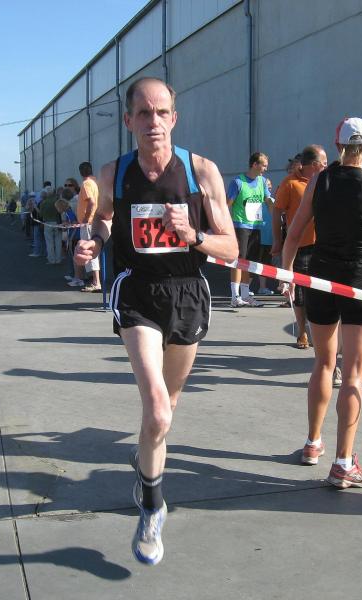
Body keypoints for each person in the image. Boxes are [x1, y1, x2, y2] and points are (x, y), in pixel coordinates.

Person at [74, 77, 237, 565]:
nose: (154, 122)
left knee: (163, 415)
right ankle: (152, 506)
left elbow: (230, 247)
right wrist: (94, 241)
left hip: (187, 292)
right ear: (128, 121)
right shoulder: (115, 172)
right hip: (138, 293)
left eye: (162, 112)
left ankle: (146, 455)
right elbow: (104, 218)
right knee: (159, 410)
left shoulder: (201, 172)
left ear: (174, 118)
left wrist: (193, 235)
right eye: (144, 113)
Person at [282, 117, 362, 481]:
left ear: (337, 146)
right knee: (353, 374)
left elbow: (294, 232)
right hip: (359, 280)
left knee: (323, 363)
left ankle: (312, 443)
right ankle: (343, 463)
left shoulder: (319, 180)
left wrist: (287, 275)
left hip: (321, 274)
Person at [273, 145, 328, 349]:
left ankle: (318, 332)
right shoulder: (290, 183)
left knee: (320, 293)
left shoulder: (325, 181)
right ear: (314, 165)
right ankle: (302, 331)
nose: (326, 166)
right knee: (300, 295)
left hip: (322, 246)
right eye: (324, 163)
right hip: (300, 246)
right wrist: (277, 240)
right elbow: (277, 212)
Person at [227, 152, 272, 307]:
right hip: (241, 226)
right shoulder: (237, 182)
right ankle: (235, 296)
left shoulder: (263, 182)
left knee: (249, 262)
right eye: (264, 165)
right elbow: (227, 204)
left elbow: (268, 200)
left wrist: (278, 210)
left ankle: (246, 296)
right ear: (254, 164)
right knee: (238, 260)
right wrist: (225, 226)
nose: (266, 169)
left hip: (256, 226)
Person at [77, 163, 102, 292]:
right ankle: (94, 279)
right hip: (93, 221)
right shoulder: (94, 183)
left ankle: (96, 282)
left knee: (89, 251)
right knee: (91, 251)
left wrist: (86, 218)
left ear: (81, 172)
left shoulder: (86, 184)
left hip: (88, 223)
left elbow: (91, 202)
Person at [39, 185, 62, 264]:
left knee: (49, 242)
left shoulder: (43, 202)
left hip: (47, 223)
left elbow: (41, 214)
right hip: (57, 222)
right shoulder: (57, 200)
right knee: (58, 242)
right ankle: (58, 259)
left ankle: (51, 259)